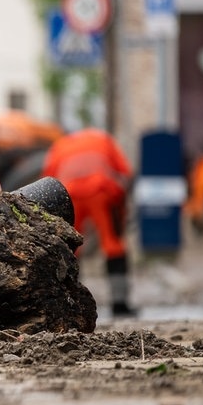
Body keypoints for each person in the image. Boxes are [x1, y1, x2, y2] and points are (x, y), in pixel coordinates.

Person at [42, 128, 136, 317]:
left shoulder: (60, 145)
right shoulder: (104, 139)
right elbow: (126, 172)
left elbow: (47, 182)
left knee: (70, 249)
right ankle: (120, 304)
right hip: (100, 190)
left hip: (70, 194)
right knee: (113, 245)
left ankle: (69, 305)